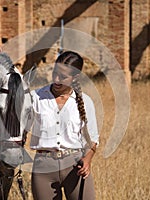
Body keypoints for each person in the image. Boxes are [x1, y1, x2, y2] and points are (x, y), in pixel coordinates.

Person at [30, 51, 99, 200]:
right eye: (55, 73)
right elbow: (17, 128)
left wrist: (87, 161)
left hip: (75, 167)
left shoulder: (85, 102)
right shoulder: (35, 98)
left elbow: (93, 139)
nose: (56, 79)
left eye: (63, 76)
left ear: (75, 77)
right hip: (43, 169)